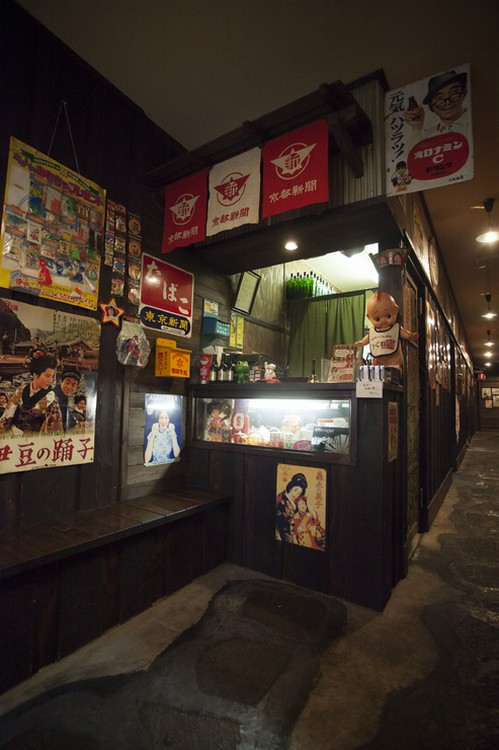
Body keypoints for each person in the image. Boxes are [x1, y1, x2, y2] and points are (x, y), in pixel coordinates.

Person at [0, 350, 62, 435]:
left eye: (52, 376)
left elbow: (54, 427)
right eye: (47, 376)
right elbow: (7, 416)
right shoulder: (20, 390)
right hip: (13, 435)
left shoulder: (51, 398)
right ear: (36, 374)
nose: (50, 380)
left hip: (35, 440)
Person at [354, 290, 418, 372]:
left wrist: (410, 336)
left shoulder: (396, 328)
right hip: (378, 362)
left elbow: (405, 333)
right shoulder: (372, 331)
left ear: (395, 311)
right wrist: (362, 342)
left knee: (395, 372)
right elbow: (367, 338)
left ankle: (397, 373)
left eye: (388, 316)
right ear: (369, 317)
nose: (383, 321)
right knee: (377, 373)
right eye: (377, 319)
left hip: (394, 359)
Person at [403, 69, 469, 136]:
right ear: (431, 106)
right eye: (439, 98)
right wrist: (417, 127)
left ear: (464, 93)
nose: (448, 102)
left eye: (453, 93)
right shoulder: (429, 133)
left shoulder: (472, 122)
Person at [275, 472, 308, 543]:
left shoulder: (296, 504)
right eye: (295, 490)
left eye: (299, 493)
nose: (296, 494)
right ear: (290, 488)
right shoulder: (282, 502)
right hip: (284, 534)